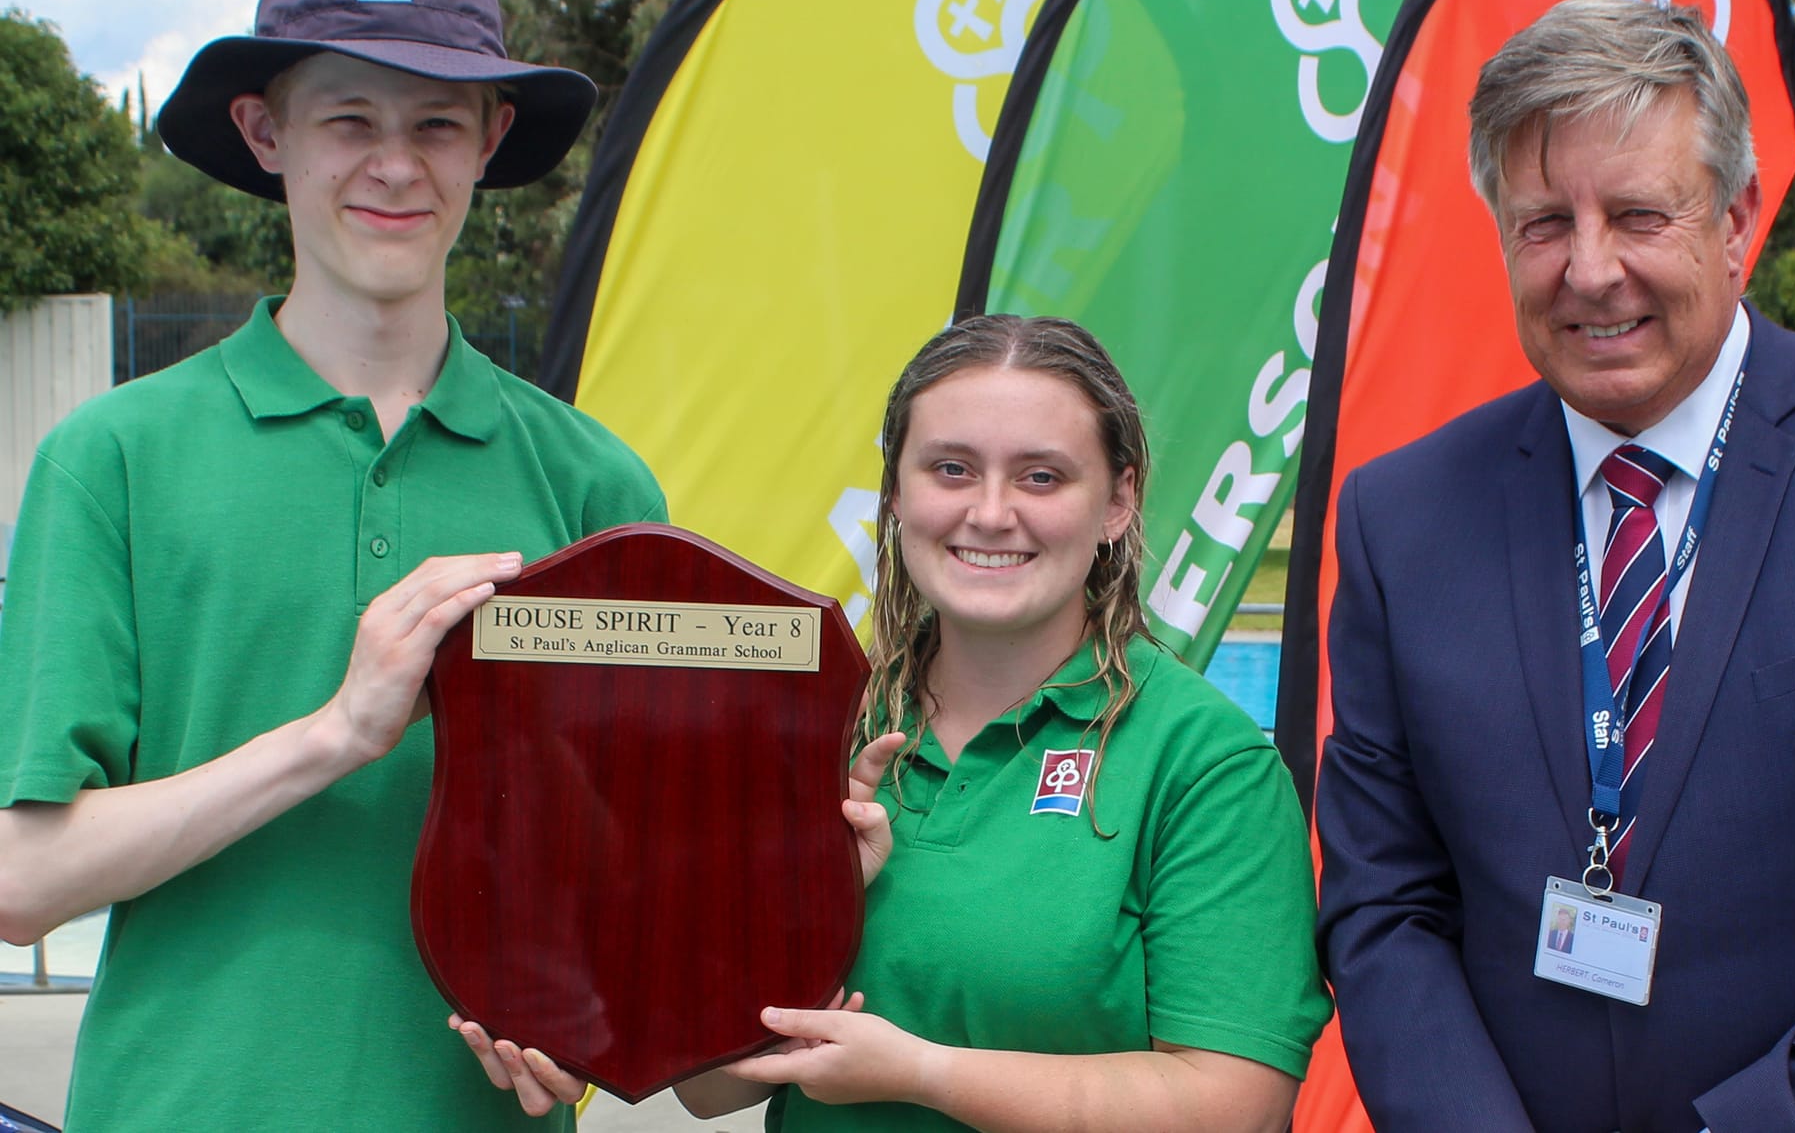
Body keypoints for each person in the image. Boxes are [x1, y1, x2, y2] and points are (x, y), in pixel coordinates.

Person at [0, 0, 665, 1131]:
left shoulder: (596, 485)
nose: (395, 166)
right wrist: (335, 733)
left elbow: (632, 881)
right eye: (349, 120)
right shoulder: (112, 461)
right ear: (267, 135)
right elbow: (21, 882)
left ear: (491, 143)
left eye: (437, 125)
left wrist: (603, 1014)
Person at [1316, 0, 1795, 1132]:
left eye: (1636, 214)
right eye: (1543, 223)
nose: (1588, 270)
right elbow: (1383, 905)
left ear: (1735, 220)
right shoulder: (1399, 517)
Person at [462, 314, 1331, 1130]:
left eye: (1042, 475)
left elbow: (1232, 1102)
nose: (990, 513)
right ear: (898, 492)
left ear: (1117, 501)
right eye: (950, 468)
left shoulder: (1202, 760)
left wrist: (924, 1072)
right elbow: (709, 1083)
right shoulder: (810, 724)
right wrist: (587, 1024)